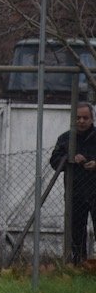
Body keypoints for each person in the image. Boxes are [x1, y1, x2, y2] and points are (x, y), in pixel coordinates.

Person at [49, 103, 96, 264]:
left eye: (85, 118)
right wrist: (70, 159)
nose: (81, 121)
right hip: (74, 192)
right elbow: (54, 161)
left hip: (94, 189)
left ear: (92, 119)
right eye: (78, 118)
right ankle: (78, 263)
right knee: (76, 231)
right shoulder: (65, 139)